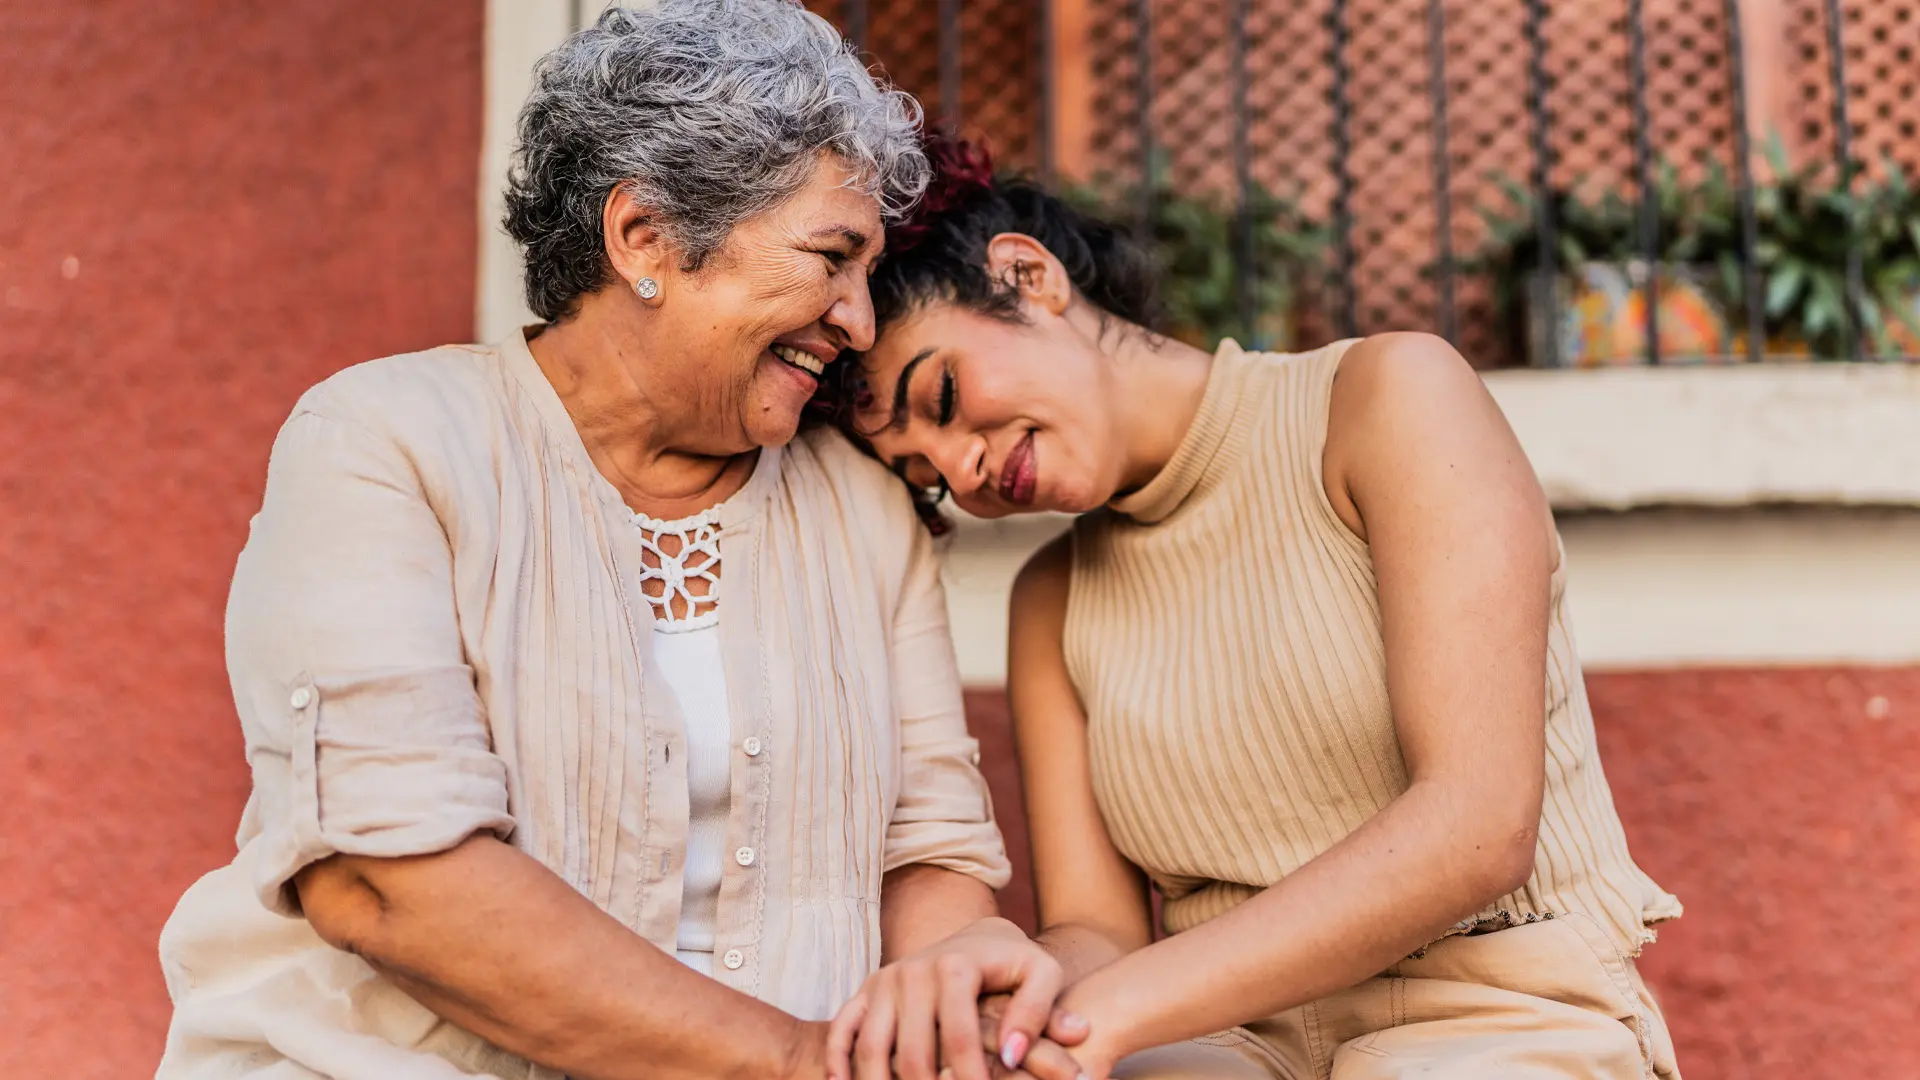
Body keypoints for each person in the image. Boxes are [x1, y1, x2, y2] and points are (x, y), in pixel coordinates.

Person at [155, 8, 1050, 1078]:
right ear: (645, 237)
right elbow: (385, 881)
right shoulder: (386, 441)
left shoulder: (858, 510)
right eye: (830, 259)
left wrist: (952, 978)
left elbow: (929, 856)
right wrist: (795, 1061)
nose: (859, 322)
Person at [825, 141, 1684, 1080]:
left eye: (943, 397)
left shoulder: (1387, 400)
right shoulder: (1051, 600)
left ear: (1028, 276)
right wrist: (1008, 994)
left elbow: (1477, 828)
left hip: (1504, 1014)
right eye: (924, 474)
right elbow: (1098, 934)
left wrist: (1109, 1011)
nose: (961, 471)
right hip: (1232, 1040)